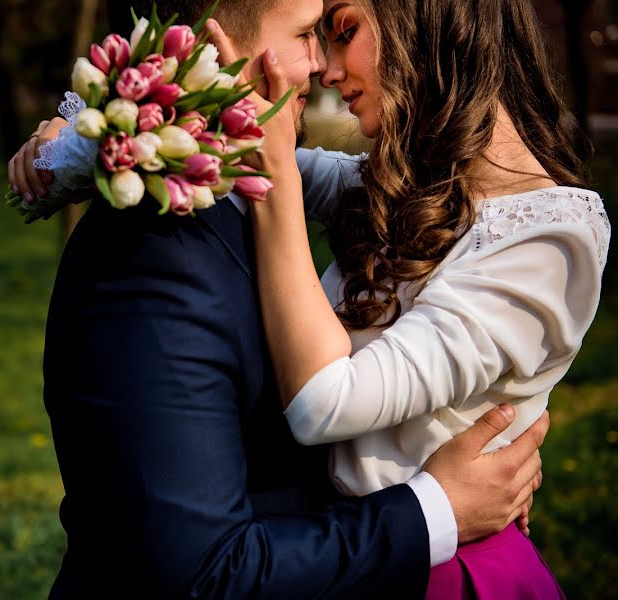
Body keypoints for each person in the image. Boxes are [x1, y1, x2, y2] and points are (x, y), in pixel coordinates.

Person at [11, 1, 549, 597]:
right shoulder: (155, 262)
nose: (322, 65)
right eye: (305, 35)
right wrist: (440, 509)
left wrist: (489, 412)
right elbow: (208, 574)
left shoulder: (243, 192)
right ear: (212, 54)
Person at [204, 0, 610, 597]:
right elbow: (225, 151)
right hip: (357, 553)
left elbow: (324, 403)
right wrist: (84, 129)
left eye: (346, 31)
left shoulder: (549, 241)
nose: (328, 68)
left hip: (443, 574)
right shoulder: (411, 187)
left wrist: (279, 187)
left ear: (430, 19)